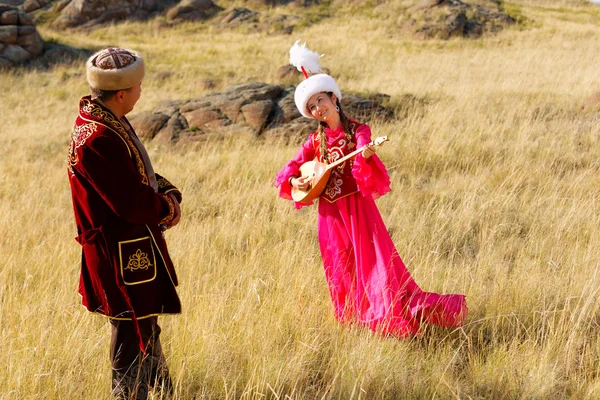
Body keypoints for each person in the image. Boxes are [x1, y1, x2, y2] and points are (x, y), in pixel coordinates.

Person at [274, 43, 467, 338]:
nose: (318, 108)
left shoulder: (358, 131)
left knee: (375, 262)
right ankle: (355, 322)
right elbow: (288, 170)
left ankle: (389, 317)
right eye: (311, 106)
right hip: (329, 214)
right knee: (340, 265)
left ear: (334, 98)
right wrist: (294, 182)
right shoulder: (314, 141)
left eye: (321, 100)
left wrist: (364, 155)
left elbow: (365, 152)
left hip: (357, 208)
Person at [67, 47, 182, 399]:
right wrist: (167, 208)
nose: (141, 91)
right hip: (120, 250)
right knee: (130, 325)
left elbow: (135, 171)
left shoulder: (104, 117)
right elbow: (130, 201)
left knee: (144, 323)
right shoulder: (99, 137)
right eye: (138, 87)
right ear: (121, 94)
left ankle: (163, 392)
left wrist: (168, 190)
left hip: (130, 243)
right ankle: (128, 395)